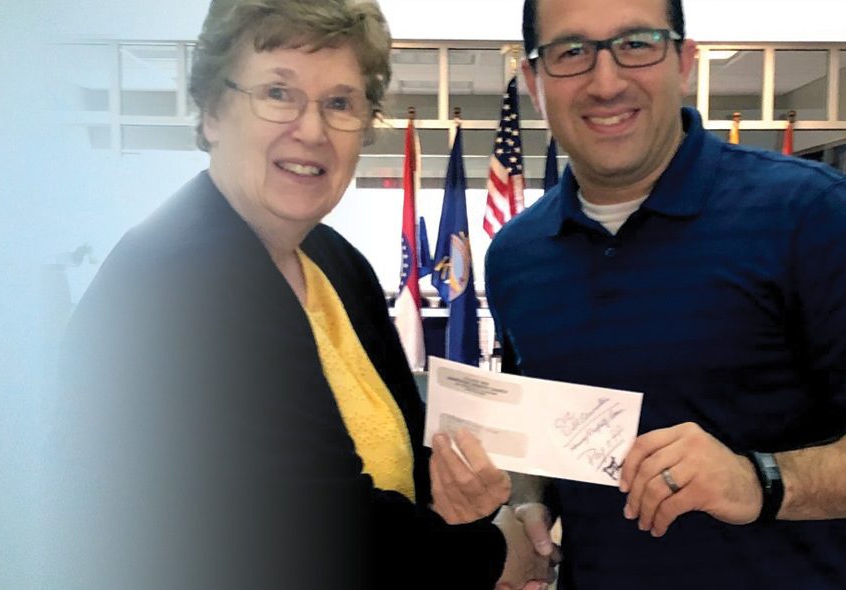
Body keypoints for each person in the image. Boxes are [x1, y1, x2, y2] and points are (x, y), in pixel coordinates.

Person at [57, 1, 553, 588]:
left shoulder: (335, 262)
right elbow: (313, 527)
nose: (312, 130)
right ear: (213, 111)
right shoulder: (174, 276)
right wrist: (499, 552)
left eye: (340, 103)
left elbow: (407, 462)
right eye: (278, 93)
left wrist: (462, 499)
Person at [484, 0, 846, 587]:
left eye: (636, 44)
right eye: (571, 52)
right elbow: (542, 431)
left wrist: (759, 480)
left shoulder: (812, 213)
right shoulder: (515, 256)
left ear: (683, 61)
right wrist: (528, 502)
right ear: (534, 79)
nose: (606, 82)